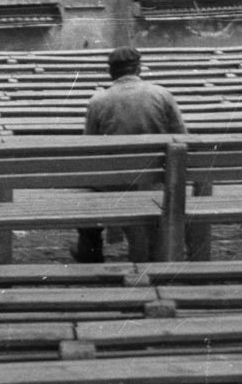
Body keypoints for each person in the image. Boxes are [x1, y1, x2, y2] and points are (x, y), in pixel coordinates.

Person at [74, 46, 185, 263]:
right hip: (157, 180)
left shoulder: (98, 101)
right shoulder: (162, 94)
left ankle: (90, 251)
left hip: (115, 182)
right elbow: (182, 137)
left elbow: (88, 148)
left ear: (111, 73)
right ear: (138, 68)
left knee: (87, 191)